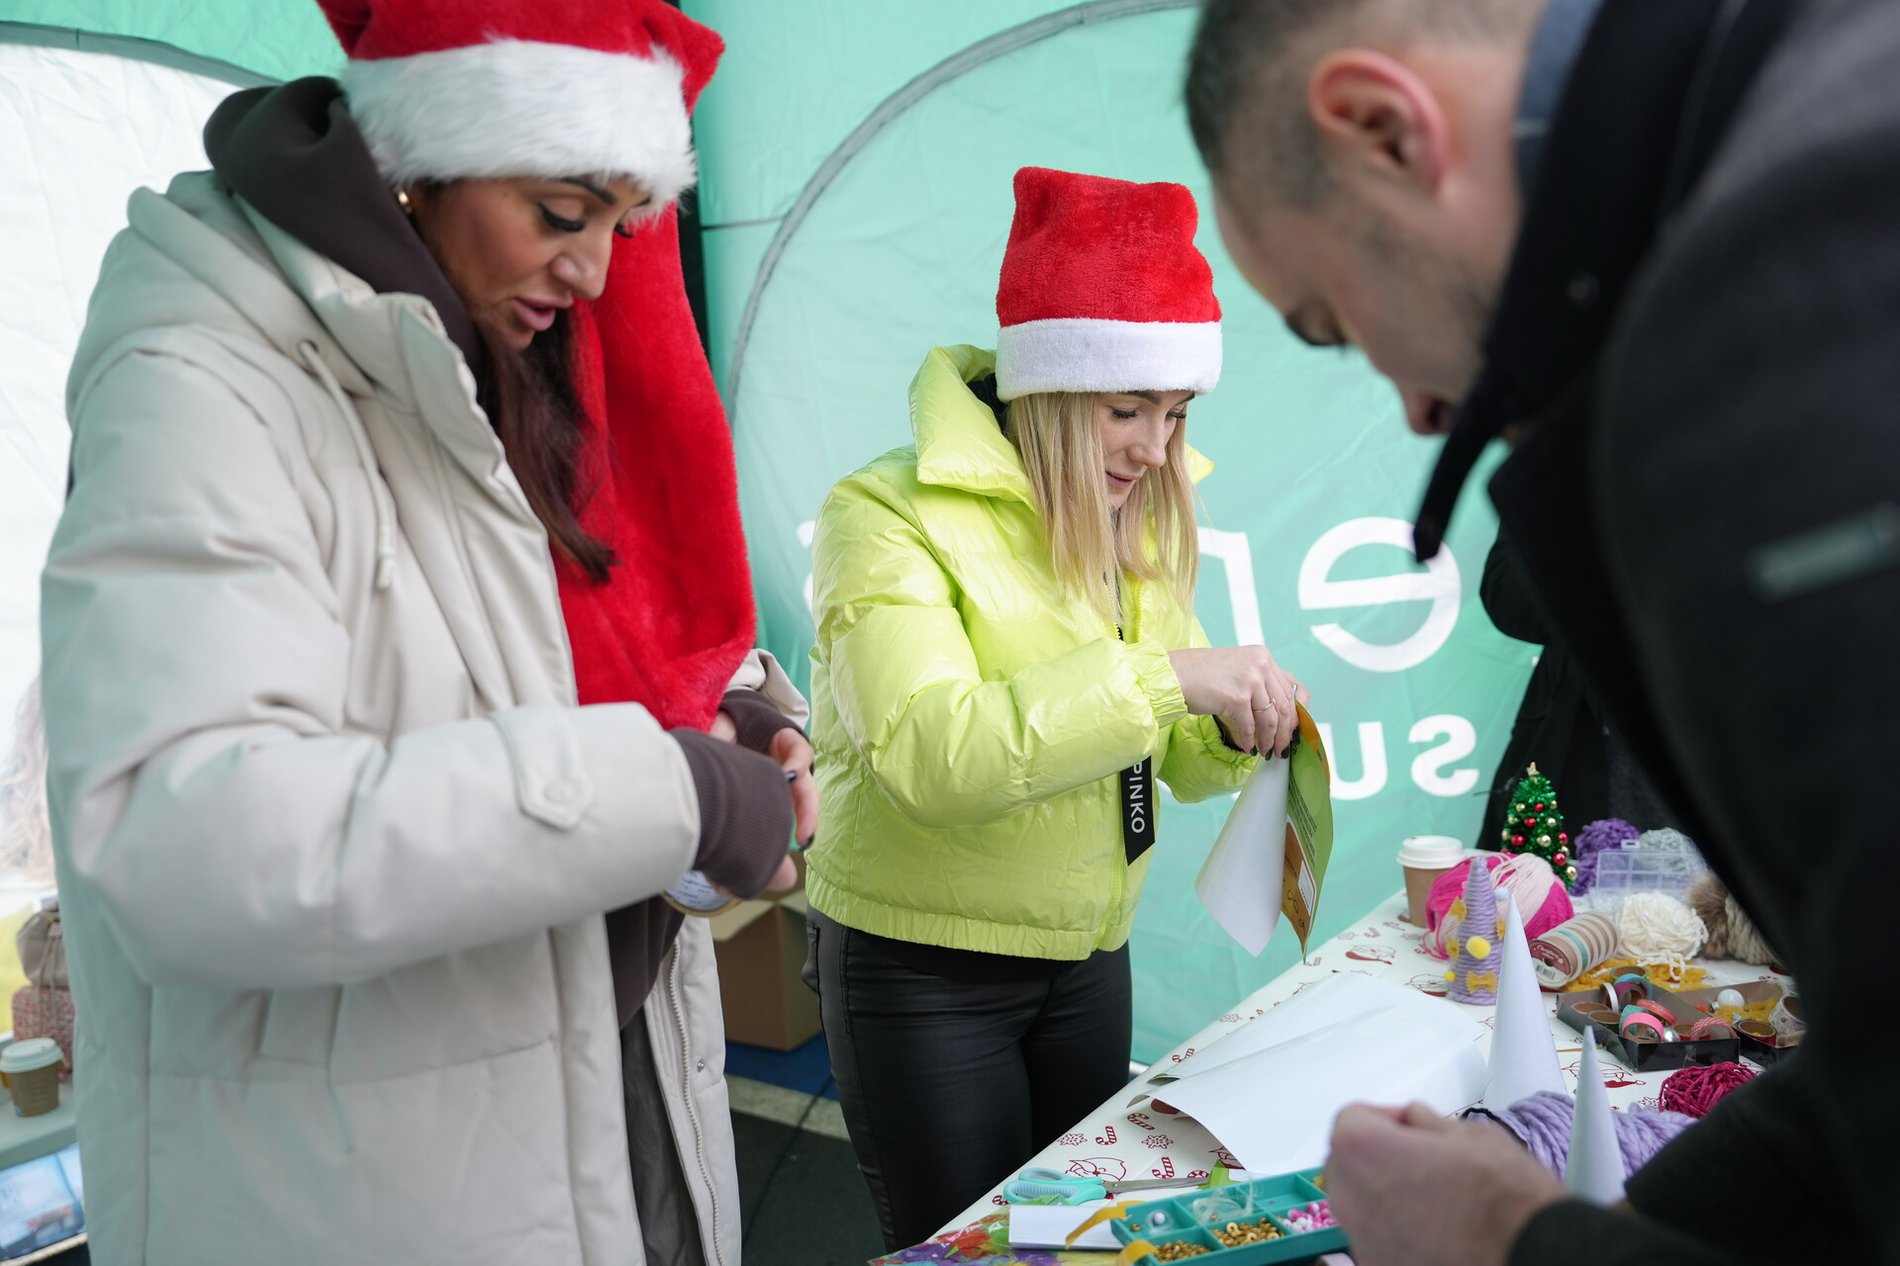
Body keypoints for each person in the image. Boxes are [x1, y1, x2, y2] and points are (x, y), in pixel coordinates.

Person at [39, 2, 811, 1262]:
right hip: (366, 1191)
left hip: (613, 1096)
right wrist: (672, 791)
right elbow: (187, 840)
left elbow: (541, 648)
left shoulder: (503, 340)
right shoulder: (201, 379)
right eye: (560, 214)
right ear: (418, 157)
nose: (594, 272)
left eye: (622, 225)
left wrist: (727, 711)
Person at [1187, 0, 1896, 1262]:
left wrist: (1504, 1239)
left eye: (1331, 320)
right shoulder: (1817, 94)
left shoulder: (1763, 330)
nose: (1416, 411)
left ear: (1381, 128)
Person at [803, 166, 1307, 1249]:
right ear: (1047, 386)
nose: (1154, 449)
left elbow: (1172, 758)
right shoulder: (881, 515)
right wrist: (1174, 679)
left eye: (1174, 414)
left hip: (1087, 956)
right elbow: (933, 757)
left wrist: (1230, 728)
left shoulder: (1135, 507)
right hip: (923, 971)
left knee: (1083, 1242)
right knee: (972, 1252)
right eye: (1126, 411)